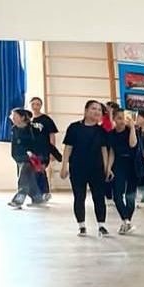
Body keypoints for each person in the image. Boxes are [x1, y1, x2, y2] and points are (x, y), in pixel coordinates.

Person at [61, 100, 113, 237]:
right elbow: (68, 147)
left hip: (96, 169)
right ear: (86, 110)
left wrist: (107, 168)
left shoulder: (101, 131)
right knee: (79, 197)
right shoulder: (74, 128)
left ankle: (101, 225)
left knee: (99, 197)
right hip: (77, 168)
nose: (97, 112)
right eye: (93, 108)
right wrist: (64, 165)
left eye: (99, 110)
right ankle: (82, 226)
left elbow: (104, 150)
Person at [107, 108, 144, 235]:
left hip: (132, 165)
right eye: (119, 118)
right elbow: (111, 152)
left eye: (124, 118)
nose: (122, 121)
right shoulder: (111, 134)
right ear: (114, 119)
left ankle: (127, 221)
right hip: (118, 164)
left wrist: (132, 127)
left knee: (130, 195)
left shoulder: (132, 131)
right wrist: (108, 167)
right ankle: (126, 220)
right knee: (117, 194)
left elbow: (133, 144)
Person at [6, 109, 49, 208]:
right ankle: (37, 198)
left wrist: (44, 160)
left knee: (26, 172)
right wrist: (17, 158)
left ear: (22, 117)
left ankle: (20, 197)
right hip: (20, 158)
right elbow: (15, 147)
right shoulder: (14, 130)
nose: (12, 118)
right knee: (28, 177)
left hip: (35, 158)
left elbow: (43, 145)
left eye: (15, 116)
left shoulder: (34, 129)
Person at [29, 96, 59, 196]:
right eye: (33, 104)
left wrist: (52, 152)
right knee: (32, 172)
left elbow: (52, 135)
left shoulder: (46, 119)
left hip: (44, 150)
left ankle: (45, 192)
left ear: (41, 106)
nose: (35, 106)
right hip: (32, 151)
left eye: (37, 104)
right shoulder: (28, 120)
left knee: (40, 169)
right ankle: (37, 194)